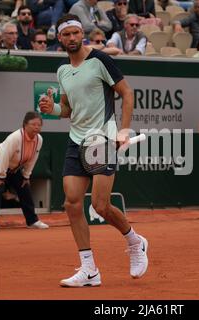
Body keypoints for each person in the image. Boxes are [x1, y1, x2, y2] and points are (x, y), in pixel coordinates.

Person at [39, 14, 149, 287]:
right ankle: (89, 269)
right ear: (60, 39)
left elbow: (127, 93)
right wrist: (51, 109)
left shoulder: (100, 60)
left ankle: (134, 242)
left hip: (102, 138)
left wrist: (123, 130)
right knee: (72, 203)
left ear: (82, 34)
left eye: (76, 33)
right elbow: (67, 109)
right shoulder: (63, 71)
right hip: (76, 141)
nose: (72, 38)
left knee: (100, 205)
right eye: (67, 34)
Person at [0, 111, 50, 231]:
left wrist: (26, 176)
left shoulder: (39, 139)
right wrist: (0, 176)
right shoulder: (15, 137)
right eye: (33, 124)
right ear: (25, 124)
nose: (36, 127)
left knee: (24, 189)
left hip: (13, 168)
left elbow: (33, 158)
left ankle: (32, 221)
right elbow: (4, 156)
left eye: (39, 125)